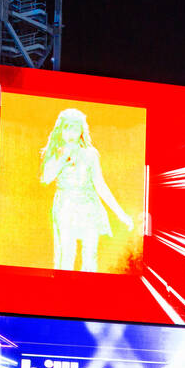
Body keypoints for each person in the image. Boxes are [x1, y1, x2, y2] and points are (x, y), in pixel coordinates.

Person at [40, 107, 135, 273]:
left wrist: (121, 214)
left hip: (89, 209)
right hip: (65, 208)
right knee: (67, 255)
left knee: (90, 255)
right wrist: (63, 158)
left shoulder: (90, 154)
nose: (71, 132)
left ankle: (88, 292)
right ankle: (62, 293)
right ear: (61, 129)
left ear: (81, 131)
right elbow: (46, 178)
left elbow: (100, 185)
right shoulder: (55, 152)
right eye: (67, 127)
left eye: (75, 128)